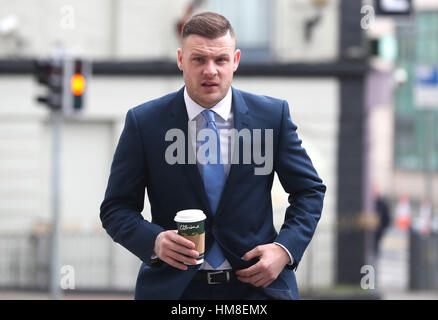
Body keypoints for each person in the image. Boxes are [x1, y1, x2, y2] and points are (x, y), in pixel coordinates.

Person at [100, 11, 325, 300]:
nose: (210, 70)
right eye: (199, 60)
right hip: (176, 291)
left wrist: (284, 249)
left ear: (235, 61)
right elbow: (116, 209)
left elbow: (309, 191)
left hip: (258, 290)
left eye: (220, 59)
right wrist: (154, 241)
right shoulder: (144, 123)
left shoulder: (272, 117)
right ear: (181, 60)